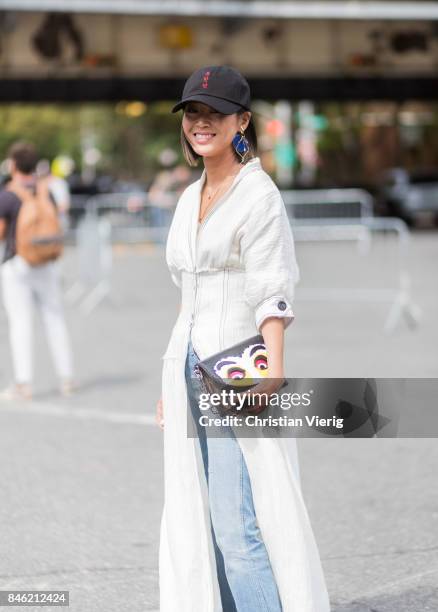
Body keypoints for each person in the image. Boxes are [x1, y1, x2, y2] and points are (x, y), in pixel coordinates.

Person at [155, 66, 331, 611]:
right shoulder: (191, 196)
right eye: (192, 112)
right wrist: (170, 374)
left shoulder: (258, 195)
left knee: (239, 524)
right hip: (189, 361)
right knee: (200, 515)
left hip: (239, 367)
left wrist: (273, 369)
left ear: (242, 121)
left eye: (213, 112)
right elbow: (189, 293)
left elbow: (271, 287)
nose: (200, 123)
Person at [0, 142, 74, 400]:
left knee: (20, 322)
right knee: (54, 318)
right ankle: (66, 378)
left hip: (18, 263)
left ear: (13, 165)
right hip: (48, 262)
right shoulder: (47, 191)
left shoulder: (8, 195)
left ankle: (24, 383)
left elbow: (1, 232)